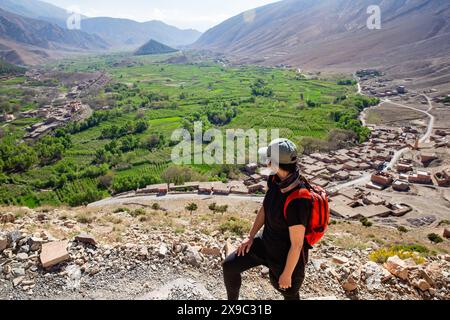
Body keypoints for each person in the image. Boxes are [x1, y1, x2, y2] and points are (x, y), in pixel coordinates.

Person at [223, 138, 312, 300]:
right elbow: (265, 207)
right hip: (265, 243)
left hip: (285, 257)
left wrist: (287, 273)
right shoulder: (275, 179)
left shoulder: (299, 198)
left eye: (268, 158)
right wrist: (250, 236)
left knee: (288, 292)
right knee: (229, 266)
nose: (266, 161)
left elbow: (297, 244)